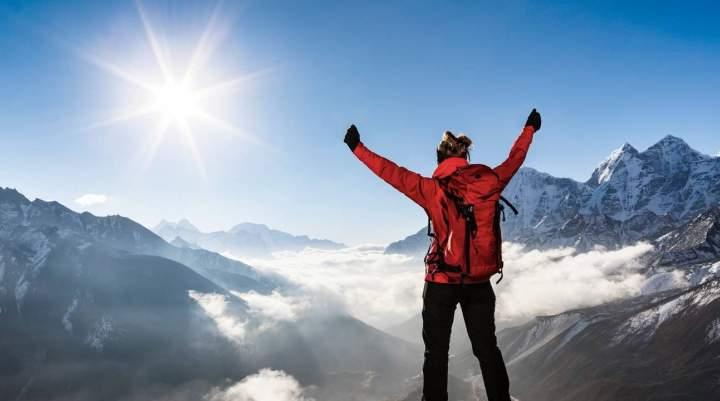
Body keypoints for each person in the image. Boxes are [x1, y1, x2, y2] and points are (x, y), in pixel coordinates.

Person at [343, 109, 541, 401]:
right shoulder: (491, 181)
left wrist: (358, 148)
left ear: (439, 161)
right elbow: (516, 158)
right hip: (478, 280)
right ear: (466, 159)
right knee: (487, 350)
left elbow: (392, 173)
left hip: (441, 281)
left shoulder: (431, 189)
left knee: (436, 353)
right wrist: (529, 129)